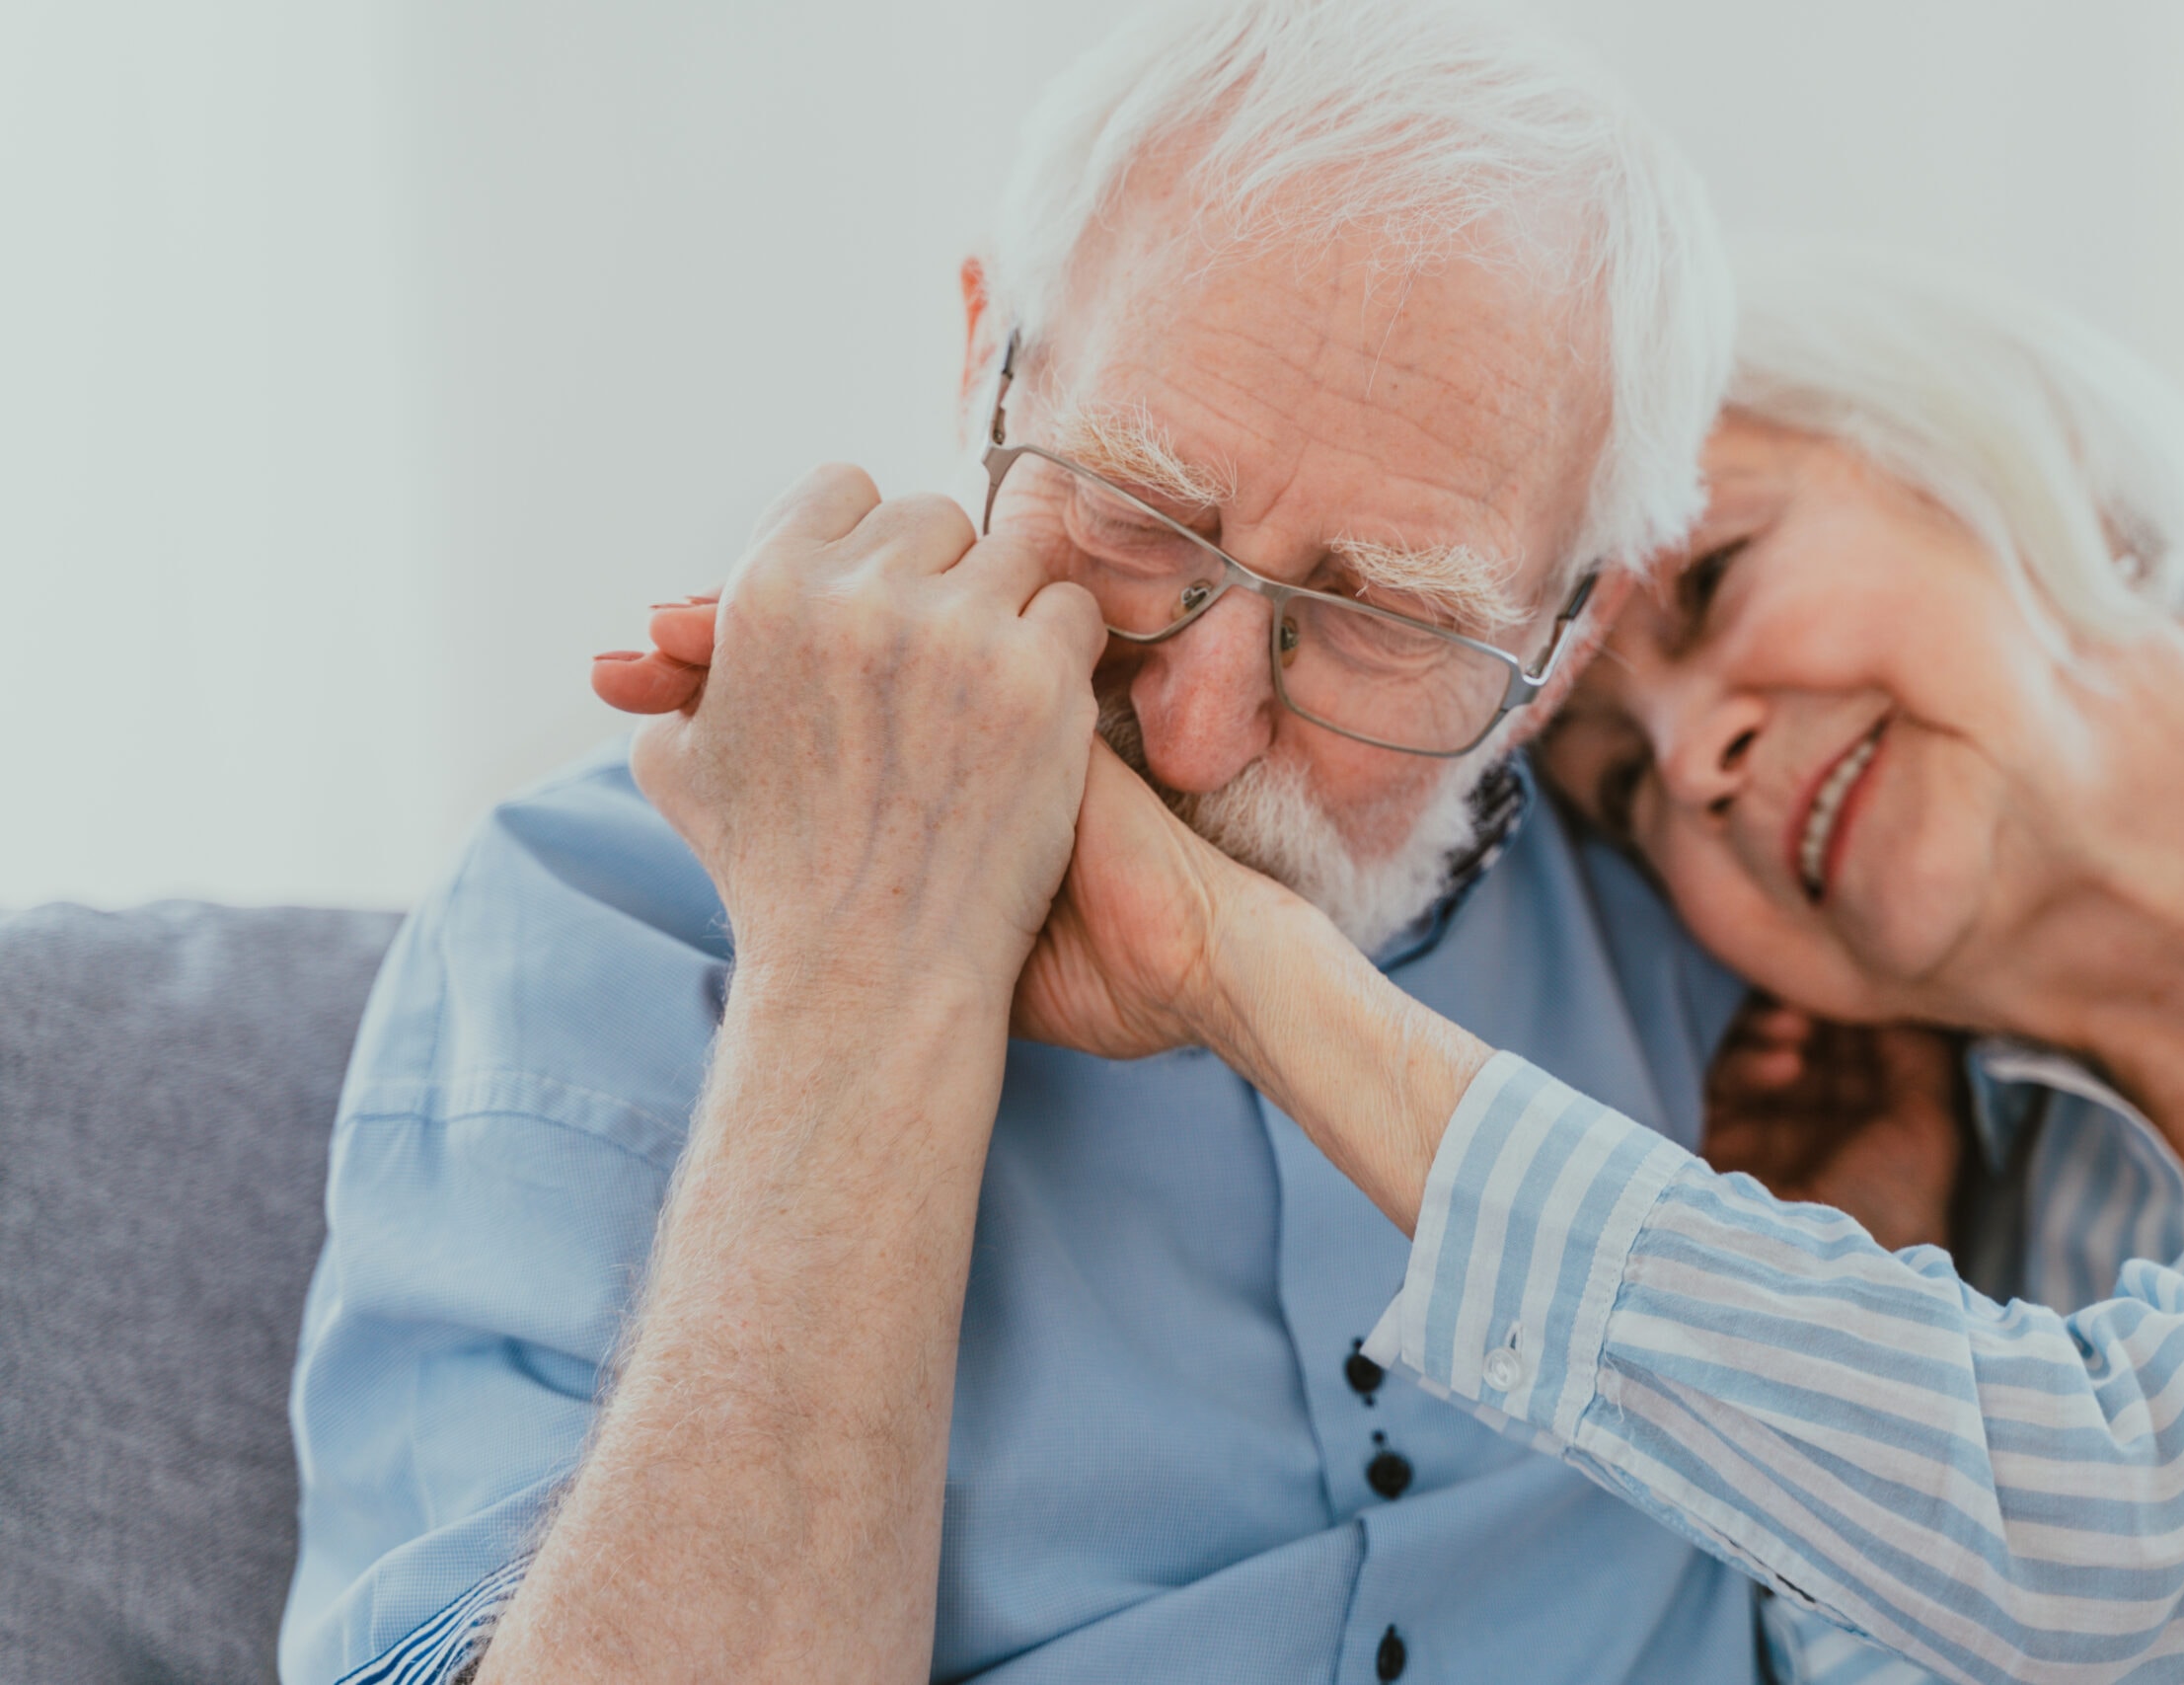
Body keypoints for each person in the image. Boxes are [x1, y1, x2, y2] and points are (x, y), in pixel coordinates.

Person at [624, 247, 2184, 1683]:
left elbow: (2125, 1509)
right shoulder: (2023, 1209)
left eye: (1715, 584)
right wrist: (1881, 1247)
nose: (1695, 761)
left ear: (1975, 450)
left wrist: (1224, 950)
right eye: (1619, 786)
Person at [274, 4, 1824, 1683]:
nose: (1196, 726)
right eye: (1142, 518)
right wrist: (860, 968)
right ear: (980, 365)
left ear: (1567, 641)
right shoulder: (594, 933)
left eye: (1380, 618)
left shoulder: (1718, 935)